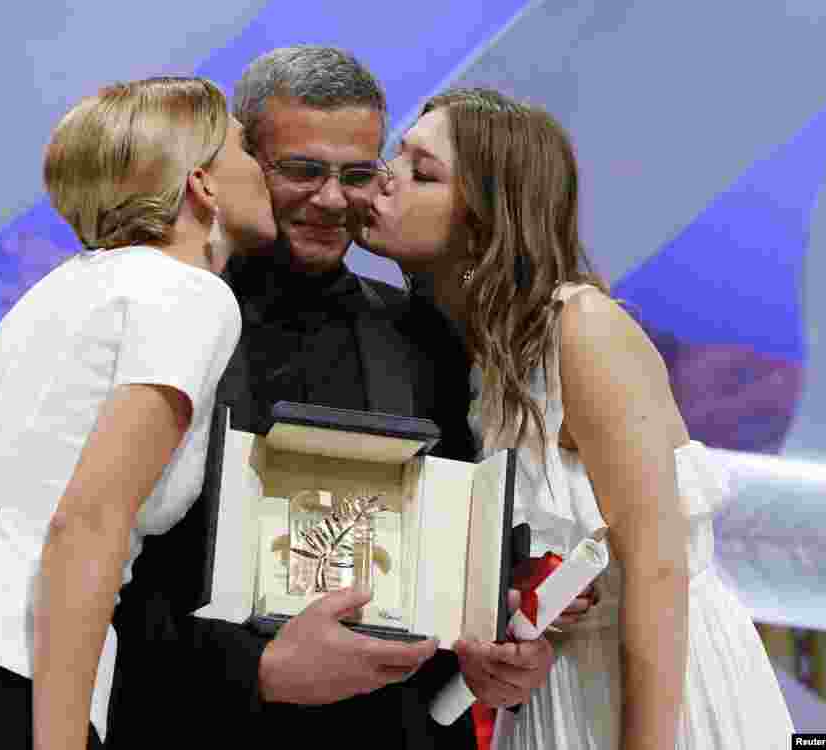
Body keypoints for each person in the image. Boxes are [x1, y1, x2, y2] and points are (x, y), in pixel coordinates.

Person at [108, 47, 564, 750]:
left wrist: (498, 653)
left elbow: (458, 569)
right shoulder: (161, 312)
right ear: (238, 158)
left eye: (356, 174)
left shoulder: (424, 335)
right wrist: (254, 672)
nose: (331, 199)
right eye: (301, 170)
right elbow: (90, 562)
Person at [354, 86, 795, 749]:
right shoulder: (466, 349)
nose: (385, 180)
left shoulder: (579, 328)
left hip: (660, 696)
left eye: (424, 172)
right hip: (556, 700)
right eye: (398, 156)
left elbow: (657, 569)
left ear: (485, 217)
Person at [0, 76, 276, 750]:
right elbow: (87, 522)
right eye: (246, 149)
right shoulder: (192, 295)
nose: (264, 169)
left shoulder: (45, 297)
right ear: (203, 184)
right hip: (16, 691)